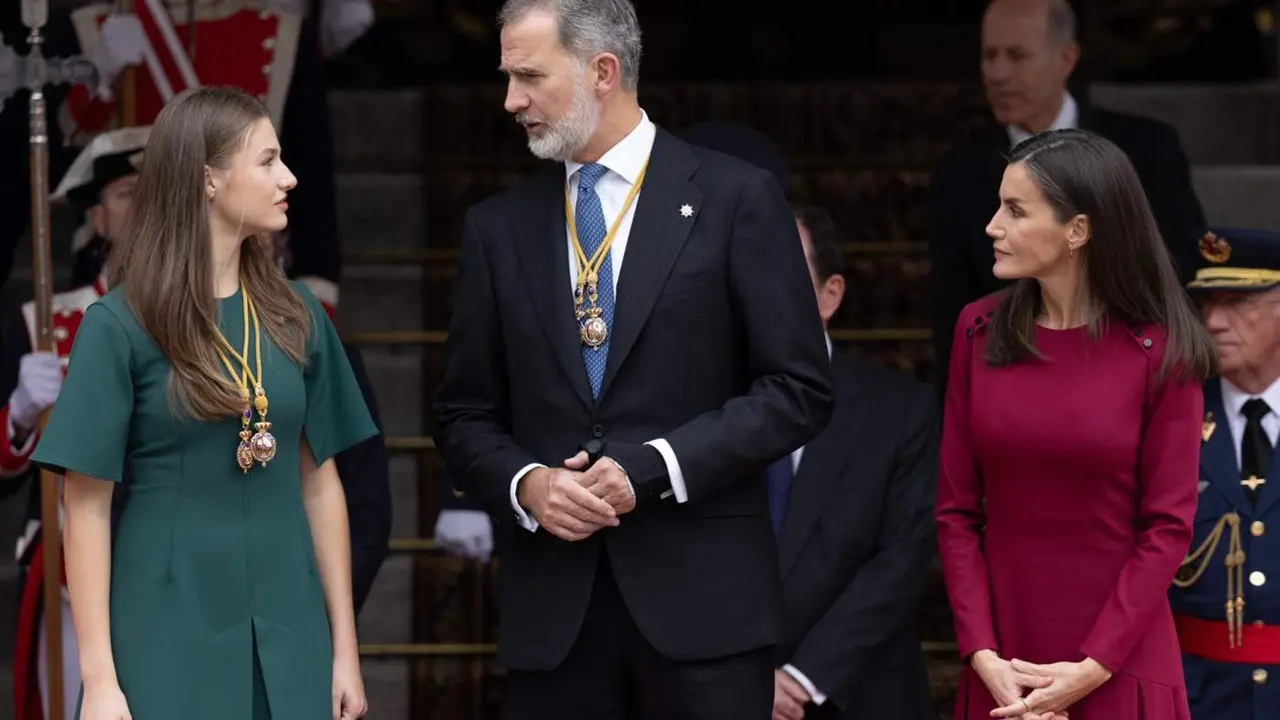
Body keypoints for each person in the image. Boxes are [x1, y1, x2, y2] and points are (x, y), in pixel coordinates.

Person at [433, 1, 835, 718]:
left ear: (603, 72)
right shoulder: (497, 228)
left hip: (706, 615)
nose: (510, 100)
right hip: (555, 622)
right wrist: (528, 485)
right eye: (507, 77)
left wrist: (655, 466)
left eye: (528, 76)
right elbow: (464, 416)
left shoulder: (736, 199)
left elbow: (798, 388)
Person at [30, 86, 376, 720]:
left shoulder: (300, 314)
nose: (289, 177)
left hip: (291, 626)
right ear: (208, 178)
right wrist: (100, 681)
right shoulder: (118, 325)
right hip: (164, 628)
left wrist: (344, 650)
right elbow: (85, 509)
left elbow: (321, 484)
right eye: (267, 161)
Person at [936, 128, 1216, 720]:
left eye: (1014, 210)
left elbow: (1167, 527)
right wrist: (981, 652)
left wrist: (1094, 665)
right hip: (1002, 664)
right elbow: (956, 513)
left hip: (1119, 659)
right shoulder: (976, 331)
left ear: (1077, 231)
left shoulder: (1160, 350)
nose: (992, 225)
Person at [929, 0, 1206, 399]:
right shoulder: (960, 172)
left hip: (1133, 377)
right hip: (1013, 389)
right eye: (989, 56)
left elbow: (1182, 267)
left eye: (1017, 56)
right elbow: (950, 307)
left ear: (1066, 58)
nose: (998, 73)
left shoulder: (1146, 149)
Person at [59, 0, 370, 317]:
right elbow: (63, 159)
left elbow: (309, 177)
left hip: (243, 276)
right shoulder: (94, 29)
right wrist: (97, 78)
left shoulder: (283, 33)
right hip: (123, 276)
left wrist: (316, 295)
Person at [0, 126, 149, 720]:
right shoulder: (43, 319)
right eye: (125, 193)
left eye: (154, 192)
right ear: (97, 219)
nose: (141, 208)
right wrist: (18, 415)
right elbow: (6, 472)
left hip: (177, 557)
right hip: (68, 567)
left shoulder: (207, 313)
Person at [770, 205, 939, 720]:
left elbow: (905, 560)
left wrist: (801, 679)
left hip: (860, 694)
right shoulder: (690, 406)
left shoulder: (901, 409)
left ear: (830, 295)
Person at [1169, 227, 1280, 719]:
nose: (1213, 321)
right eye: (1208, 304)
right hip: (1199, 696)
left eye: (1236, 302)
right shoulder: (1170, 419)